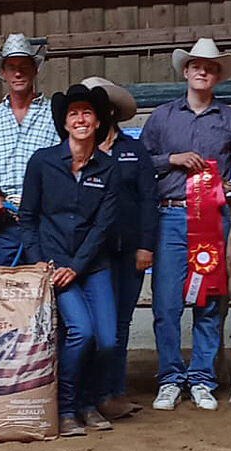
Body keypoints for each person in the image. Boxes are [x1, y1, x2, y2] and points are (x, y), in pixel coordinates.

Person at [140, 38, 231, 412]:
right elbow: (142, 164)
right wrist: (172, 159)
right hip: (170, 214)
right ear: (186, 71)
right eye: (196, 65)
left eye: (210, 66)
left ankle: (202, 378)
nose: (202, 70)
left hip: (215, 218)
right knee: (166, 304)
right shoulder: (161, 116)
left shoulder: (230, 119)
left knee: (210, 302)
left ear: (216, 75)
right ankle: (170, 379)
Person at [20, 84, 119, 437]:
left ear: (97, 122)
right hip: (52, 266)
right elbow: (28, 217)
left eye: (87, 113)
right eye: (73, 113)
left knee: (107, 339)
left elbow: (103, 226)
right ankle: (65, 408)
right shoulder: (42, 162)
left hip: (91, 266)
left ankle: (88, 404)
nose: (80, 119)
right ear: (64, 123)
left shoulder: (109, 169)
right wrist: (42, 264)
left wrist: (75, 266)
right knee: (81, 332)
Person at [79, 76, 155, 420]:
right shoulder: (77, 152)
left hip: (126, 250)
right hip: (90, 254)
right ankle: (90, 392)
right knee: (93, 325)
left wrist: (145, 246)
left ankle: (114, 390)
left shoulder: (133, 150)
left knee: (119, 322)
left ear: (109, 111)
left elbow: (148, 201)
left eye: (99, 106)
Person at [0, 33, 60, 265]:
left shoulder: (54, 114)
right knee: (4, 292)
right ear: (3, 73)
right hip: (2, 226)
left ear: (34, 70)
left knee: (45, 288)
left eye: (24, 66)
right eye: (12, 67)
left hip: (44, 223)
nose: (18, 73)